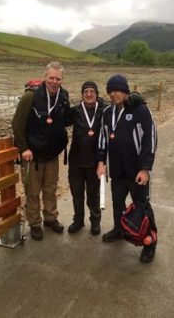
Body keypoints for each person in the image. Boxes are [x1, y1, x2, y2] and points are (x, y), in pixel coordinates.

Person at [96, 74, 159, 263]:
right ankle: (119, 229)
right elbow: (102, 138)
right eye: (111, 91)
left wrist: (145, 168)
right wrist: (101, 162)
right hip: (117, 171)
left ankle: (150, 242)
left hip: (136, 172)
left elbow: (151, 138)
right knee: (117, 203)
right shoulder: (107, 112)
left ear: (126, 91)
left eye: (118, 90)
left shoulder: (139, 109)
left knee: (142, 206)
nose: (114, 94)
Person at [11, 61, 70, 241]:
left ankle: (51, 218)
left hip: (52, 154)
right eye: (51, 77)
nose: (54, 81)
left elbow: (66, 119)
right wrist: (24, 148)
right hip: (33, 156)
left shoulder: (64, 96)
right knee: (33, 191)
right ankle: (35, 223)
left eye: (58, 78)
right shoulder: (30, 96)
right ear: (45, 77)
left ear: (62, 79)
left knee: (51, 189)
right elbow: (17, 123)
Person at [66, 81, 108, 235]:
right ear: (82, 94)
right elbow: (60, 120)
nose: (89, 94)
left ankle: (95, 221)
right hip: (76, 160)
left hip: (95, 162)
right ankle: (78, 220)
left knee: (93, 194)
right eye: (86, 92)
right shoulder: (75, 111)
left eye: (92, 91)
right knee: (76, 193)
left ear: (97, 94)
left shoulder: (104, 111)